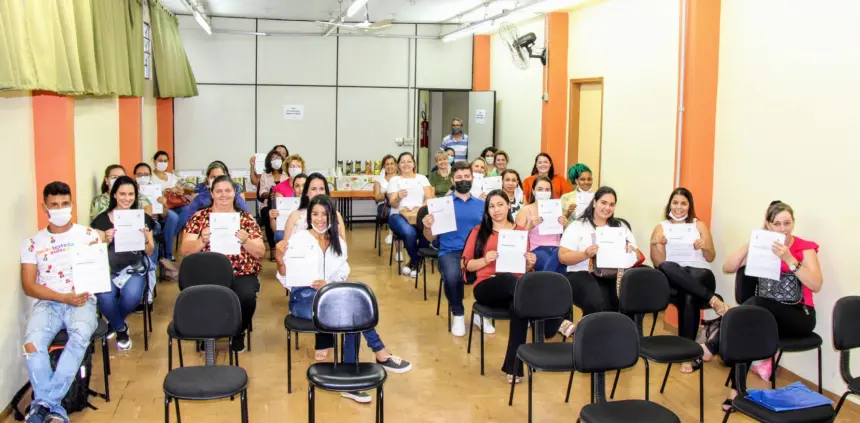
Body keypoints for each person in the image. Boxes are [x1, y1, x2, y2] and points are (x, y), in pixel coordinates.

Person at [275, 195, 412, 404]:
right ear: (309, 216)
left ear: (332, 216)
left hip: (331, 297)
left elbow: (341, 274)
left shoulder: (338, 243)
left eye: (325, 214)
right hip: (303, 298)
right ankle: (380, 352)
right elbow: (286, 277)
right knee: (350, 309)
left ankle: (352, 380)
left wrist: (327, 285)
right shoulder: (298, 239)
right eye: (315, 214)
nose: (320, 219)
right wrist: (278, 258)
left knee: (351, 312)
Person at [699, 201, 822, 411]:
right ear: (768, 224)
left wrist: (790, 259)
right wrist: (753, 243)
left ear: (793, 223)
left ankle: (712, 345)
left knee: (752, 311)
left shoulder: (805, 248)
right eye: (777, 224)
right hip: (766, 318)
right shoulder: (762, 246)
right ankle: (737, 392)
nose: (783, 228)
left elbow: (816, 284)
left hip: (799, 315)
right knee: (749, 325)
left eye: (787, 223)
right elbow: (728, 266)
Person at [462, 190, 575, 383]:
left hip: (515, 289)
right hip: (487, 286)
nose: (496, 210)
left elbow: (525, 269)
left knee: (519, 307)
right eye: (491, 206)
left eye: (500, 205)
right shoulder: (478, 231)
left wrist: (530, 263)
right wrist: (484, 260)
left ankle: (513, 367)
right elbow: (465, 264)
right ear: (487, 210)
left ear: (508, 206)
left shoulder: (521, 231)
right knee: (511, 282)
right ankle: (554, 322)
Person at [21, 182, 102, 423]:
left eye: (64, 204)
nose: (60, 209)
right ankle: (53, 407)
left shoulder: (88, 236)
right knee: (31, 345)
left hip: (83, 300)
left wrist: (79, 293)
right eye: (54, 205)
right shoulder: (32, 243)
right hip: (49, 302)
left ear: (72, 205)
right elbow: (29, 286)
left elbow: (98, 275)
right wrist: (62, 297)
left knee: (79, 338)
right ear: (44, 207)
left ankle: (44, 405)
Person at [181, 175, 265, 352]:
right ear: (211, 194)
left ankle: (238, 332)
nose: (223, 195)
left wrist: (246, 241)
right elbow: (185, 250)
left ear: (234, 193)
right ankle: (208, 333)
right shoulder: (200, 217)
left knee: (247, 295)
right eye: (218, 191)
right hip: (207, 271)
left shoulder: (246, 218)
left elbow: (260, 252)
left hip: (241, 271)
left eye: (228, 191)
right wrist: (201, 242)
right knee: (205, 295)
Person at [650, 188, 726, 374]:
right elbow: (658, 263)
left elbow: (710, 257)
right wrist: (656, 244)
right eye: (675, 203)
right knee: (669, 269)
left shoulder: (698, 225)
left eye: (683, 203)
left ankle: (687, 352)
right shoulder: (661, 227)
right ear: (670, 204)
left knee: (687, 289)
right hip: (677, 278)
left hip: (701, 275)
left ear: (689, 206)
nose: (679, 207)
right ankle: (712, 301)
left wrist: (704, 246)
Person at [421, 161, 486, 336]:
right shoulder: (442, 204)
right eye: (459, 177)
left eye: (467, 176)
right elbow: (430, 238)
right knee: (452, 275)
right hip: (451, 251)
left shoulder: (482, 204)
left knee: (491, 274)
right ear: (452, 180)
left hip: (477, 252)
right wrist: (427, 226)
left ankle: (482, 313)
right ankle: (458, 312)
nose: (463, 180)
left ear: (472, 178)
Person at [90, 176, 155, 351]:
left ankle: (114, 322)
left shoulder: (142, 219)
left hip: (134, 267)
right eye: (122, 194)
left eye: (131, 194)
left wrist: (146, 239)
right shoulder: (101, 220)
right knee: (105, 297)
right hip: (107, 269)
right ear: (114, 195)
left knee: (132, 297)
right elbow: (92, 250)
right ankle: (121, 328)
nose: (127, 198)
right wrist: (106, 240)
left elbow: (149, 251)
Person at [558, 187, 640, 315]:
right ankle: (590, 333)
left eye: (612, 204)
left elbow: (638, 255)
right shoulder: (578, 226)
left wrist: (629, 250)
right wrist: (585, 254)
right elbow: (562, 257)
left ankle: (622, 333)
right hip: (581, 272)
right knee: (598, 301)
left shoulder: (620, 227)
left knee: (625, 299)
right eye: (603, 203)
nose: (607, 208)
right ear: (595, 203)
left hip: (613, 274)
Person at [387, 152, 434, 277]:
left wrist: (418, 209)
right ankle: (417, 262)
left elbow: (430, 198)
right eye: (402, 162)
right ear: (398, 165)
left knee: (428, 227)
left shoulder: (422, 178)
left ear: (414, 164)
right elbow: (393, 204)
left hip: (419, 213)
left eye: (409, 161)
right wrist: (398, 196)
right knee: (409, 233)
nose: (406, 164)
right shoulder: (394, 180)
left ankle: (413, 263)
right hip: (398, 215)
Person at [134, 162, 179, 281]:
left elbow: (163, 215)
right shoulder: (130, 190)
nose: (143, 177)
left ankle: (151, 271)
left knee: (153, 232)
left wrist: (163, 205)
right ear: (134, 176)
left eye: (146, 174)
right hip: (135, 223)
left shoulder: (154, 189)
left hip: (153, 222)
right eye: (139, 174)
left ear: (150, 176)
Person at [515, 176, 569, 273]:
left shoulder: (556, 209)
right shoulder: (525, 211)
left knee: (560, 257)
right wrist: (530, 225)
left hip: (557, 248)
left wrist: (565, 226)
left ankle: (545, 281)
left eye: (547, 190)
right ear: (533, 191)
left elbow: (564, 237)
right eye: (540, 189)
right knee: (555, 262)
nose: (544, 192)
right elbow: (517, 238)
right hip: (536, 250)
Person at [280, 173, 347, 247]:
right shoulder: (295, 216)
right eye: (313, 189)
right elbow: (284, 248)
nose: (318, 193)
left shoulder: (336, 215)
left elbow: (342, 247)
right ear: (306, 192)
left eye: (321, 189)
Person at [178, 161, 249, 230]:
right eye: (213, 177)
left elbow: (246, 218)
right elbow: (190, 221)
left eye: (220, 177)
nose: (217, 180)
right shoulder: (199, 198)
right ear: (208, 179)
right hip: (204, 233)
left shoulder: (235, 196)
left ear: (226, 177)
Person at [257, 150, 287, 260]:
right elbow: (261, 193)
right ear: (269, 162)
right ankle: (273, 247)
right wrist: (271, 193)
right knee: (268, 215)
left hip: (284, 204)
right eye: (273, 159)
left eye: (278, 158)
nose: (276, 161)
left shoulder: (286, 174)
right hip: (268, 204)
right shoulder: (265, 175)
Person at [270, 173, 307, 244]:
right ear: (293, 189)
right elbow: (276, 231)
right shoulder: (285, 203)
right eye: (297, 186)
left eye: (304, 185)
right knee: (279, 235)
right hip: (289, 234)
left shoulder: (315, 202)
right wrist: (272, 218)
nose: (301, 189)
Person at [373, 155, 397, 245]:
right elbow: (377, 197)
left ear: (396, 165)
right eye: (387, 164)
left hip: (398, 204)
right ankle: (391, 234)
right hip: (384, 206)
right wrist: (386, 194)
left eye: (392, 164)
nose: (389, 166)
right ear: (383, 166)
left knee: (398, 210)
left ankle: (399, 251)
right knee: (393, 210)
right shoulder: (379, 180)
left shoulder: (400, 178)